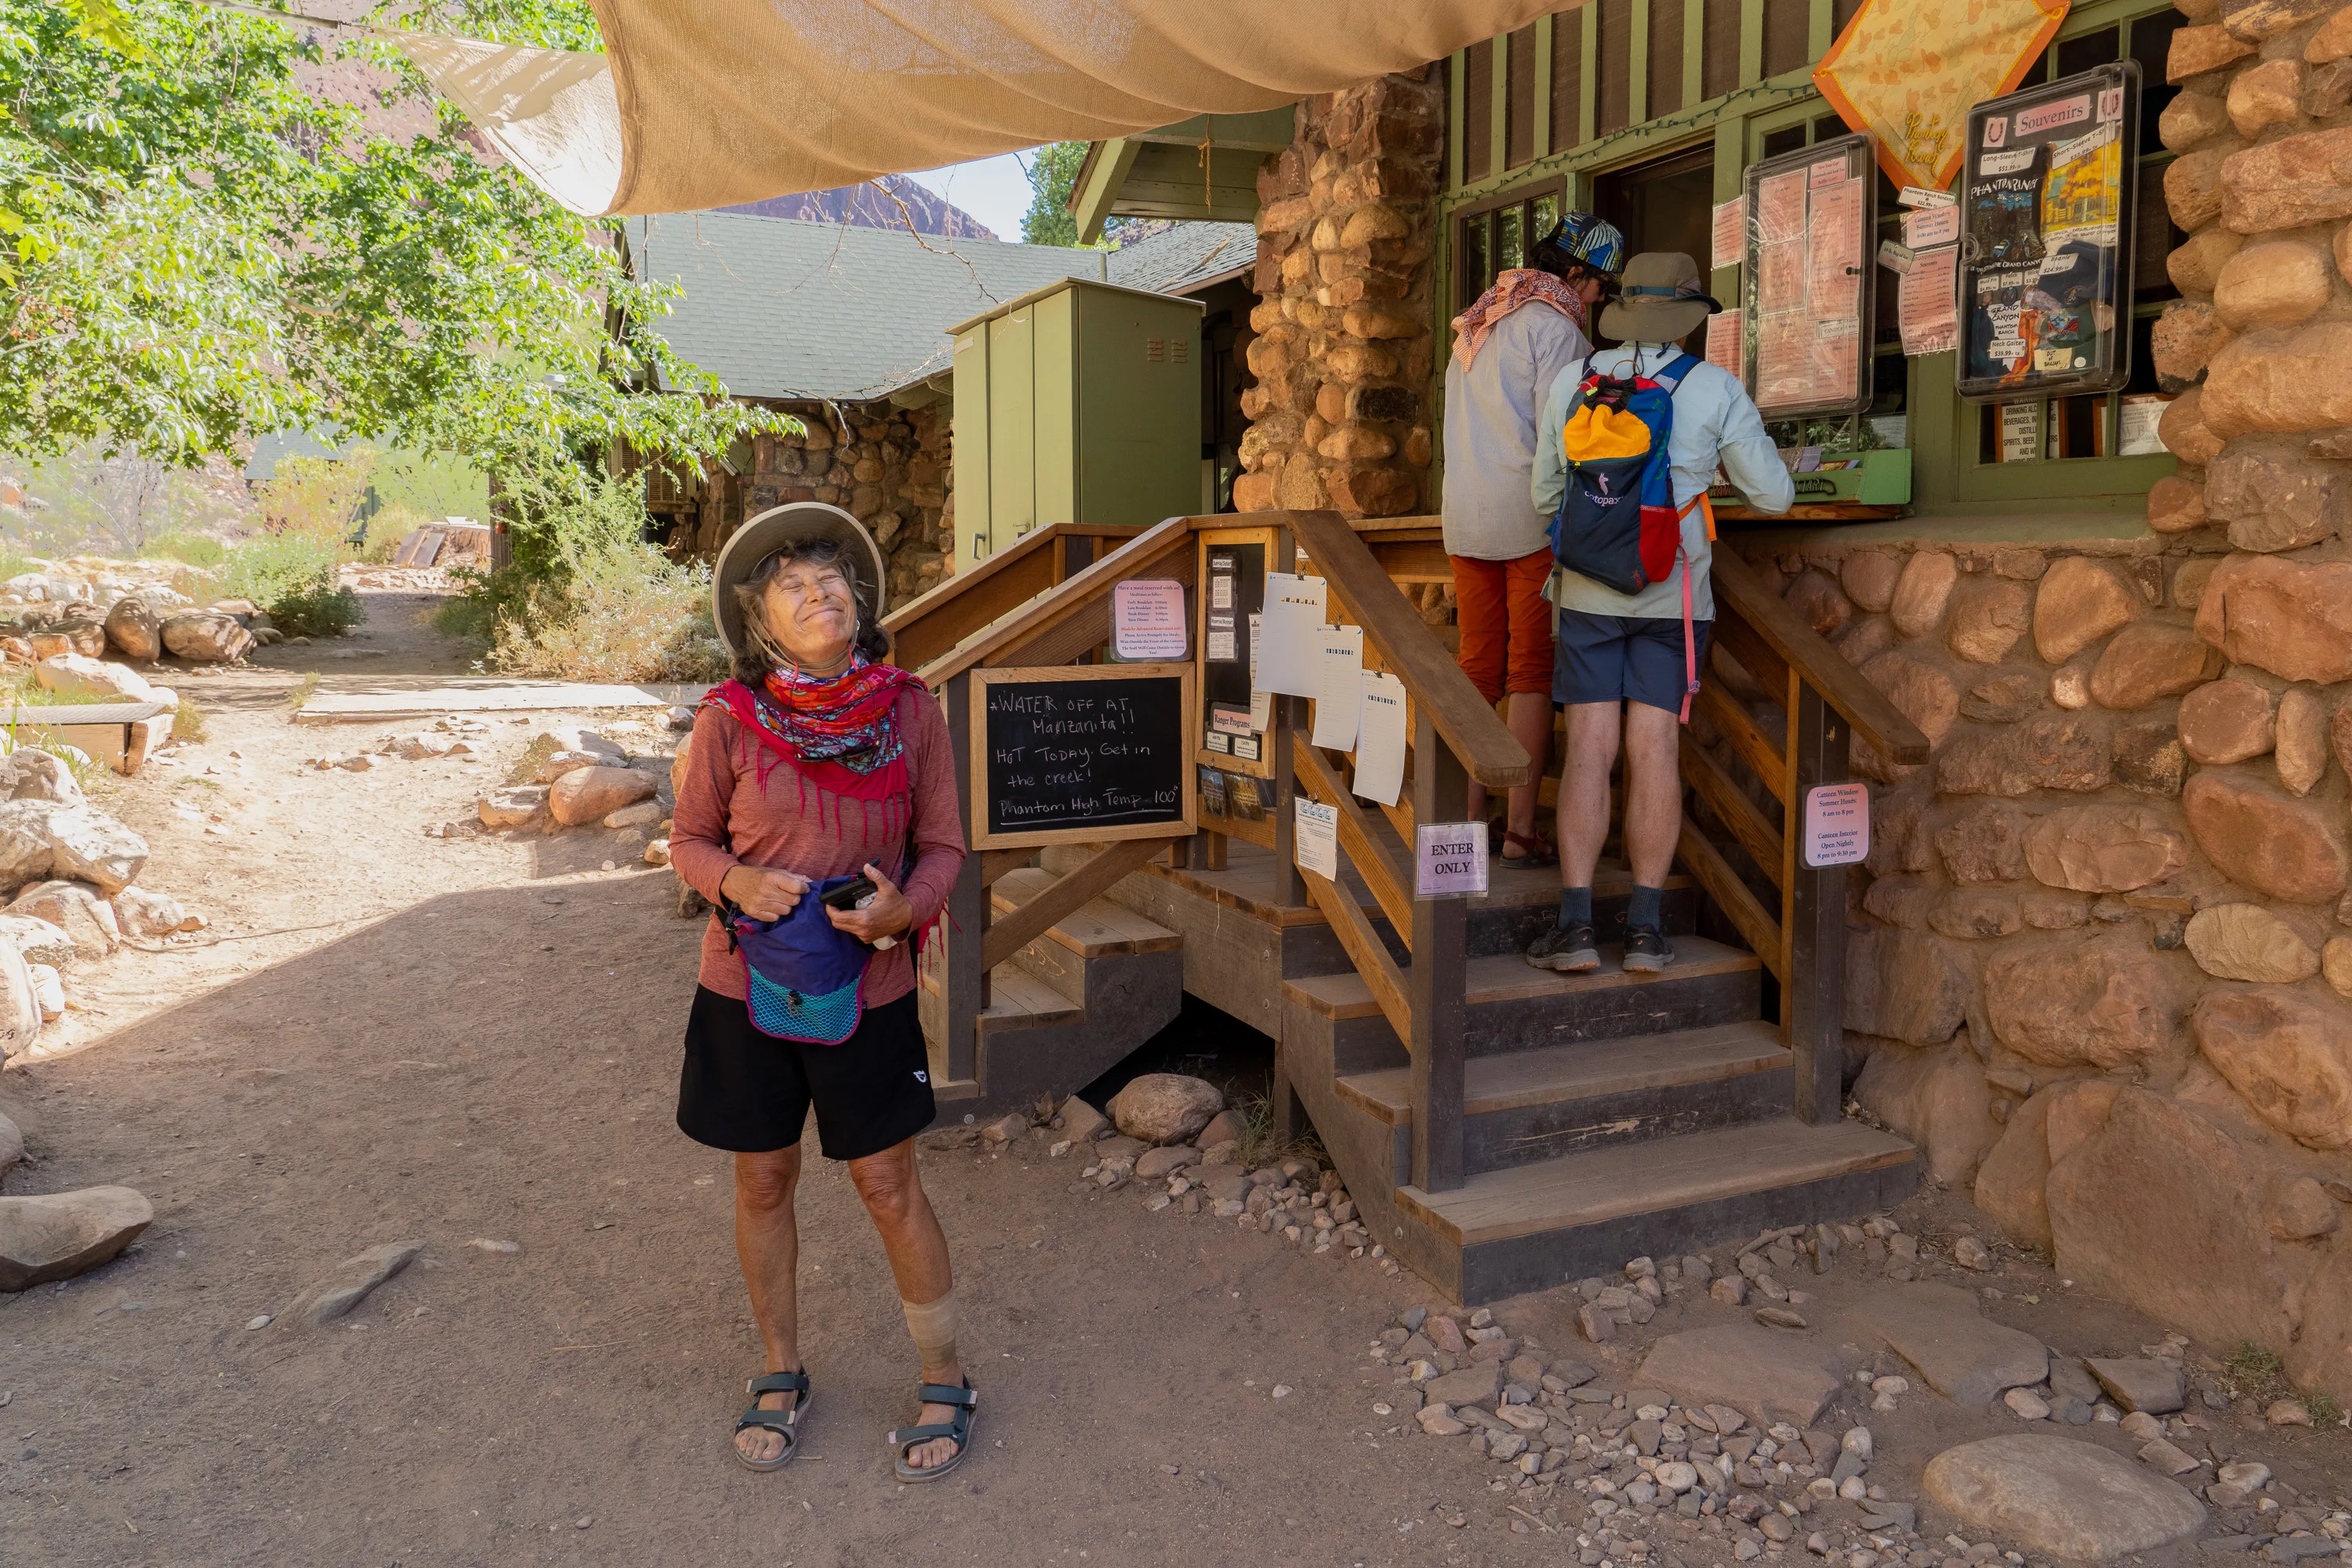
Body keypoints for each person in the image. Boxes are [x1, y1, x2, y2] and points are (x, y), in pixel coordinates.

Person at [670, 502, 978, 1480]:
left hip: (872, 986)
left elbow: (944, 846)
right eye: (794, 586)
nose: (819, 594)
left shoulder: (908, 711)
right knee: (763, 1176)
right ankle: (780, 1366)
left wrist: (903, 912)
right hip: (746, 986)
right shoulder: (730, 719)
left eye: (831, 579)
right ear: (762, 621)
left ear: (860, 600)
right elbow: (689, 840)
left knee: (888, 1182)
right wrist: (735, 881)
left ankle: (946, 1373)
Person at [1525, 252, 1793, 975]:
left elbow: (1545, 497)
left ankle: (1576, 929)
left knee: (1587, 749)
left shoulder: (1573, 383)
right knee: (1654, 751)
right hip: (1673, 598)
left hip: (1584, 593)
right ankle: (1644, 933)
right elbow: (1775, 497)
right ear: (1685, 316)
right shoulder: (1713, 388)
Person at [1441, 213, 1625, 871]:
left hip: (1465, 518)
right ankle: (1519, 830)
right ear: (1576, 273)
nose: (1602, 299)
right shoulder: (1559, 332)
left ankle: (1463, 824)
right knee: (1529, 674)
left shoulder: (1477, 322)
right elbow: (1567, 442)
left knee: (1476, 669)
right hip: (1528, 522)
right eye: (1602, 284)